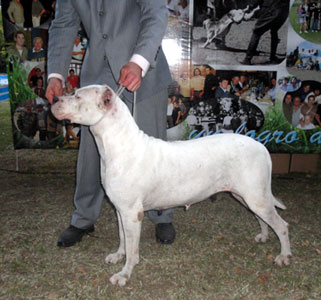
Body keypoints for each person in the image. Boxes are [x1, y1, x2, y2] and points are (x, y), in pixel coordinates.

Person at [45, 1, 175, 248]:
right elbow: (63, 24)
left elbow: (155, 13)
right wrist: (56, 75)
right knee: (91, 152)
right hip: (97, 75)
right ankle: (84, 217)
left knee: (153, 149)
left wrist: (138, 61)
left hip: (143, 67)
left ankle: (162, 214)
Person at [240, 0, 289, 65]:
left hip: (271, 10)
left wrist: (250, 7)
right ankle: (272, 57)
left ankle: (247, 59)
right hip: (283, 12)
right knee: (274, 31)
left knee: (256, 32)